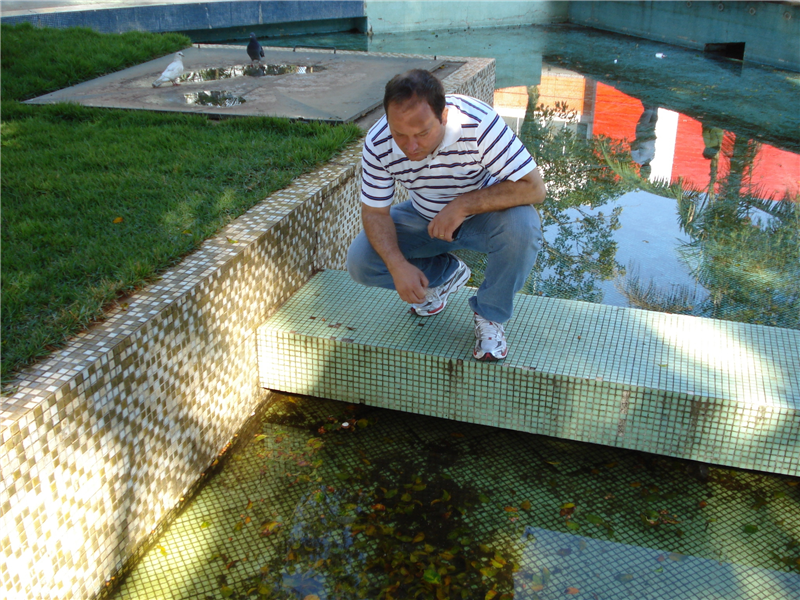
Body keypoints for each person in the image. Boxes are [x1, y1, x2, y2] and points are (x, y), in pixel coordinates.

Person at [346, 69, 546, 361]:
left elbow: (534, 188)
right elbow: (375, 213)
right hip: (422, 217)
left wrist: (462, 205)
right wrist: (397, 264)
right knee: (361, 261)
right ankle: (445, 276)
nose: (410, 147)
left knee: (524, 228)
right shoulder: (378, 142)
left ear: (444, 116)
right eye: (399, 133)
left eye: (422, 133)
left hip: (486, 217)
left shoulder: (478, 123)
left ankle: (490, 314)